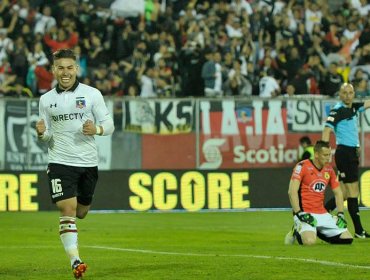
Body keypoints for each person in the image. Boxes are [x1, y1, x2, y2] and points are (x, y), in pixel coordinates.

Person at [36, 49, 115, 279]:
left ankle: (74, 252)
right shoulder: (46, 100)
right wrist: (42, 134)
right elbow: (47, 136)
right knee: (67, 210)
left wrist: (97, 130)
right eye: (60, 68)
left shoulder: (92, 94)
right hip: (59, 161)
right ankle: (75, 261)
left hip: (88, 163)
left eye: (69, 67)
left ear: (76, 69)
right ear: (54, 70)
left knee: (81, 212)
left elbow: (108, 124)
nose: (65, 72)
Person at [322, 82, 370, 238]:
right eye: (345, 93)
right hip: (345, 154)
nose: (348, 95)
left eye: (350, 92)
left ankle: (319, 214)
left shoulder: (353, 108)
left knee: (341, 193)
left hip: (351, 154)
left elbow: (367, 104)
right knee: (353, 191)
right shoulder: (337, 110)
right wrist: (324, 152)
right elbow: (327, 130)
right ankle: (359, 230)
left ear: (354, 94)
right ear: (340, 94)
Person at [285, 140, 353, 245]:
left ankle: (316, 230)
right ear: (316, 154)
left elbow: (338, 193)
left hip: (322, 213)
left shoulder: (329, 170)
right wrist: (298, 213)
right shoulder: (302, 166)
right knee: (310, 242)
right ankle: (296, 230)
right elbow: (291, 191)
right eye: (325, 155)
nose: (328, 158)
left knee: (347, 238)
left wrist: (340, 214)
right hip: (305, 212)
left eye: (330, 155)